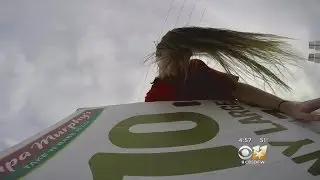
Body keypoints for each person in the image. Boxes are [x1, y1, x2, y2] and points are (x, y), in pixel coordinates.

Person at [145, 27, 320, 122]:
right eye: (173, 59)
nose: (179, 65)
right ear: (158, 58)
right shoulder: (154, 97)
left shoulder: (195, 70)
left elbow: (239, 91)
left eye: (184, 57)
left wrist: (288, 107)